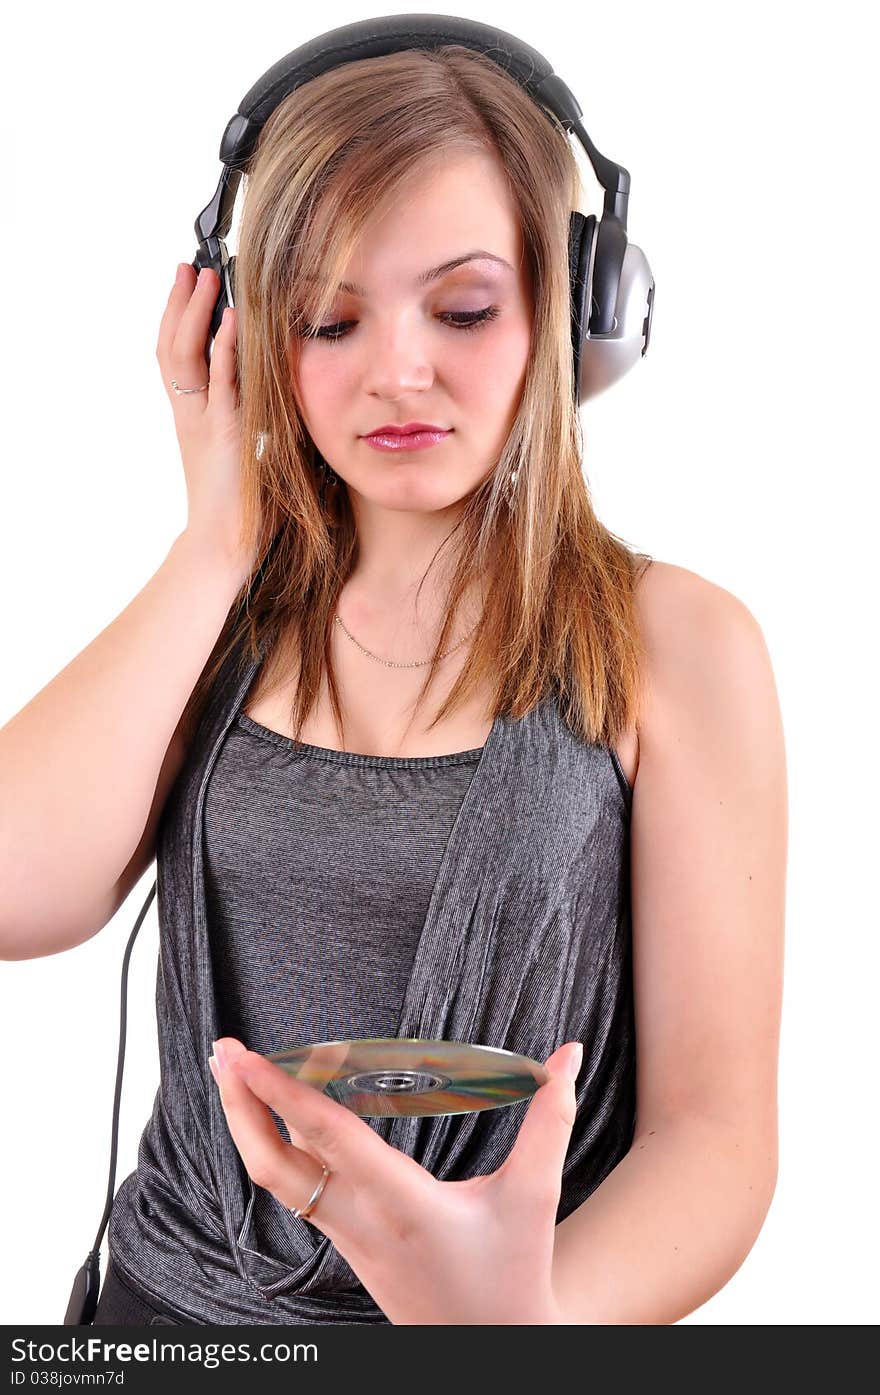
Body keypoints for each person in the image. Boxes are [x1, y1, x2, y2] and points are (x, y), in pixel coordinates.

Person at [0, 41, 786, 1326]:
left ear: (576, 310)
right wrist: (214, 541)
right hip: (156, 1323)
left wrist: (509, 1331)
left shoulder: (677, 646)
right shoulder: (220, 614)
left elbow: (713, 1143)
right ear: (248, 333)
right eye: (329, 319)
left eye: (463, 310)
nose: (398, 373)